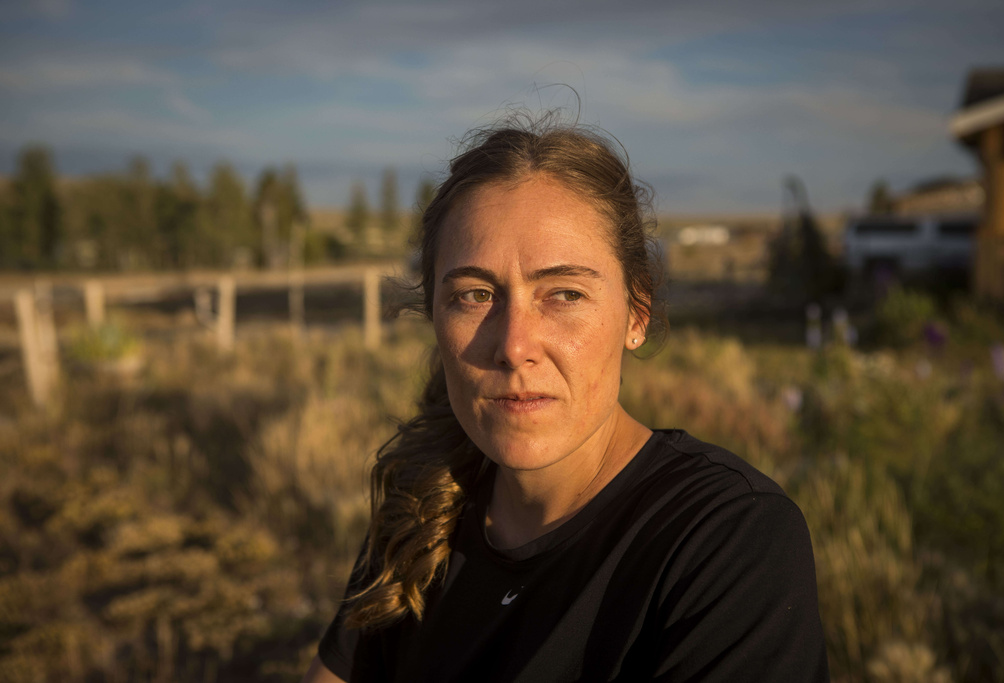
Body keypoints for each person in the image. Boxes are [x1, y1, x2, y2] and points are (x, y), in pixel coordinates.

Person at [303, 117, 829, 682]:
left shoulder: (724, 540)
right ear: (433, 315)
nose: (513, 345)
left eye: (564, 294)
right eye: (475, 295)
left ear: (637, 314)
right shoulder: (420, 508)